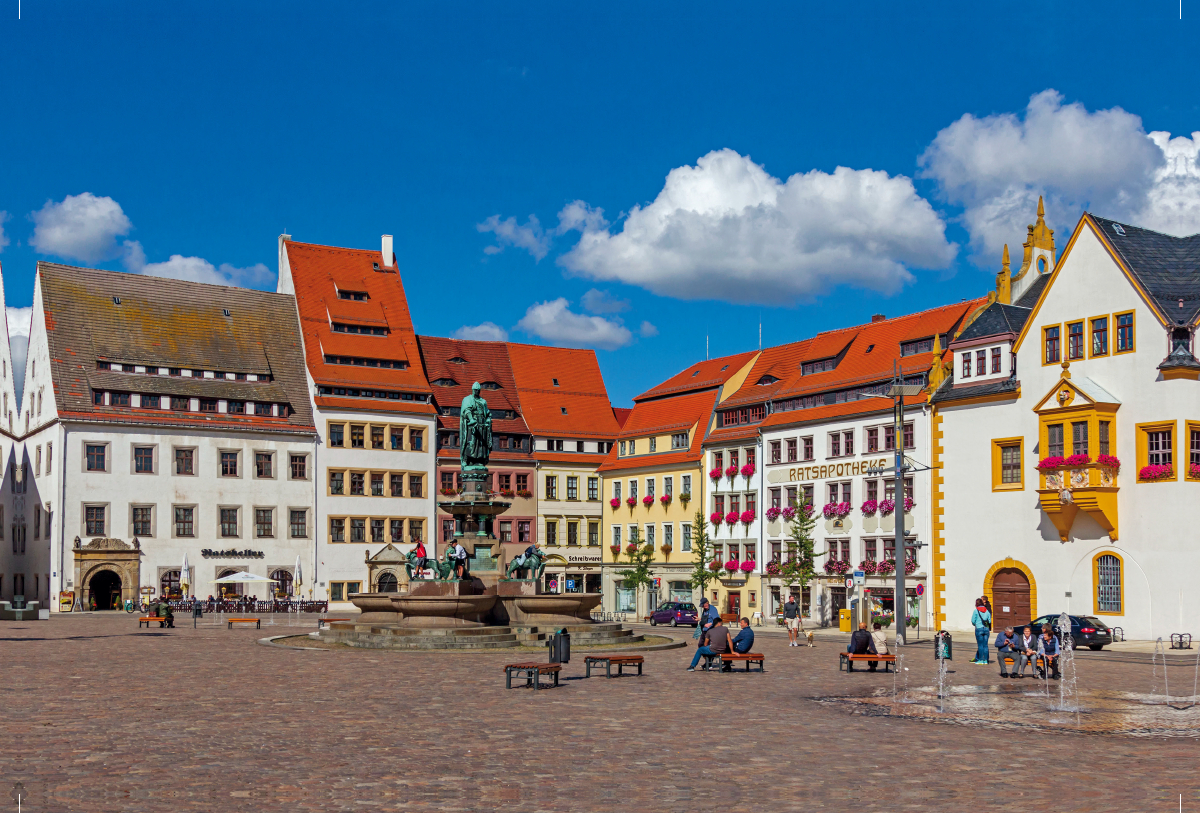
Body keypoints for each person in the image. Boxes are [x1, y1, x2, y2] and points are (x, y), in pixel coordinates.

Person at [970, 598, 992, 664]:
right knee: (985, 645)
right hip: (986, 629)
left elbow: (973, 621)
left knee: (980, 645)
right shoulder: (987, 610)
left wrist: (976, 624)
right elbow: (990, 621)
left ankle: (980, 660)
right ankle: (985, 660)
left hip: (979, 628)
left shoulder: (976, 611)